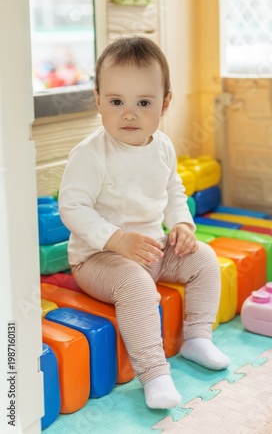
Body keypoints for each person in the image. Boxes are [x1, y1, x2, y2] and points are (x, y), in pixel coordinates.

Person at [58, 36, 230, 410]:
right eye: (117, 102)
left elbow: (173, 191)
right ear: (99, 99)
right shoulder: (90, 154)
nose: (130, 114)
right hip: (98, 259)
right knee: (135, 283)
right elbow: (72, 207)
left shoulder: (163, 146)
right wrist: (116, 240)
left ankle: (197, 337)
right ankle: (153, 372)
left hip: (153, 248)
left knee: (204, 258)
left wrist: (182, 225)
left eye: (144, 103)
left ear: (165, 104)